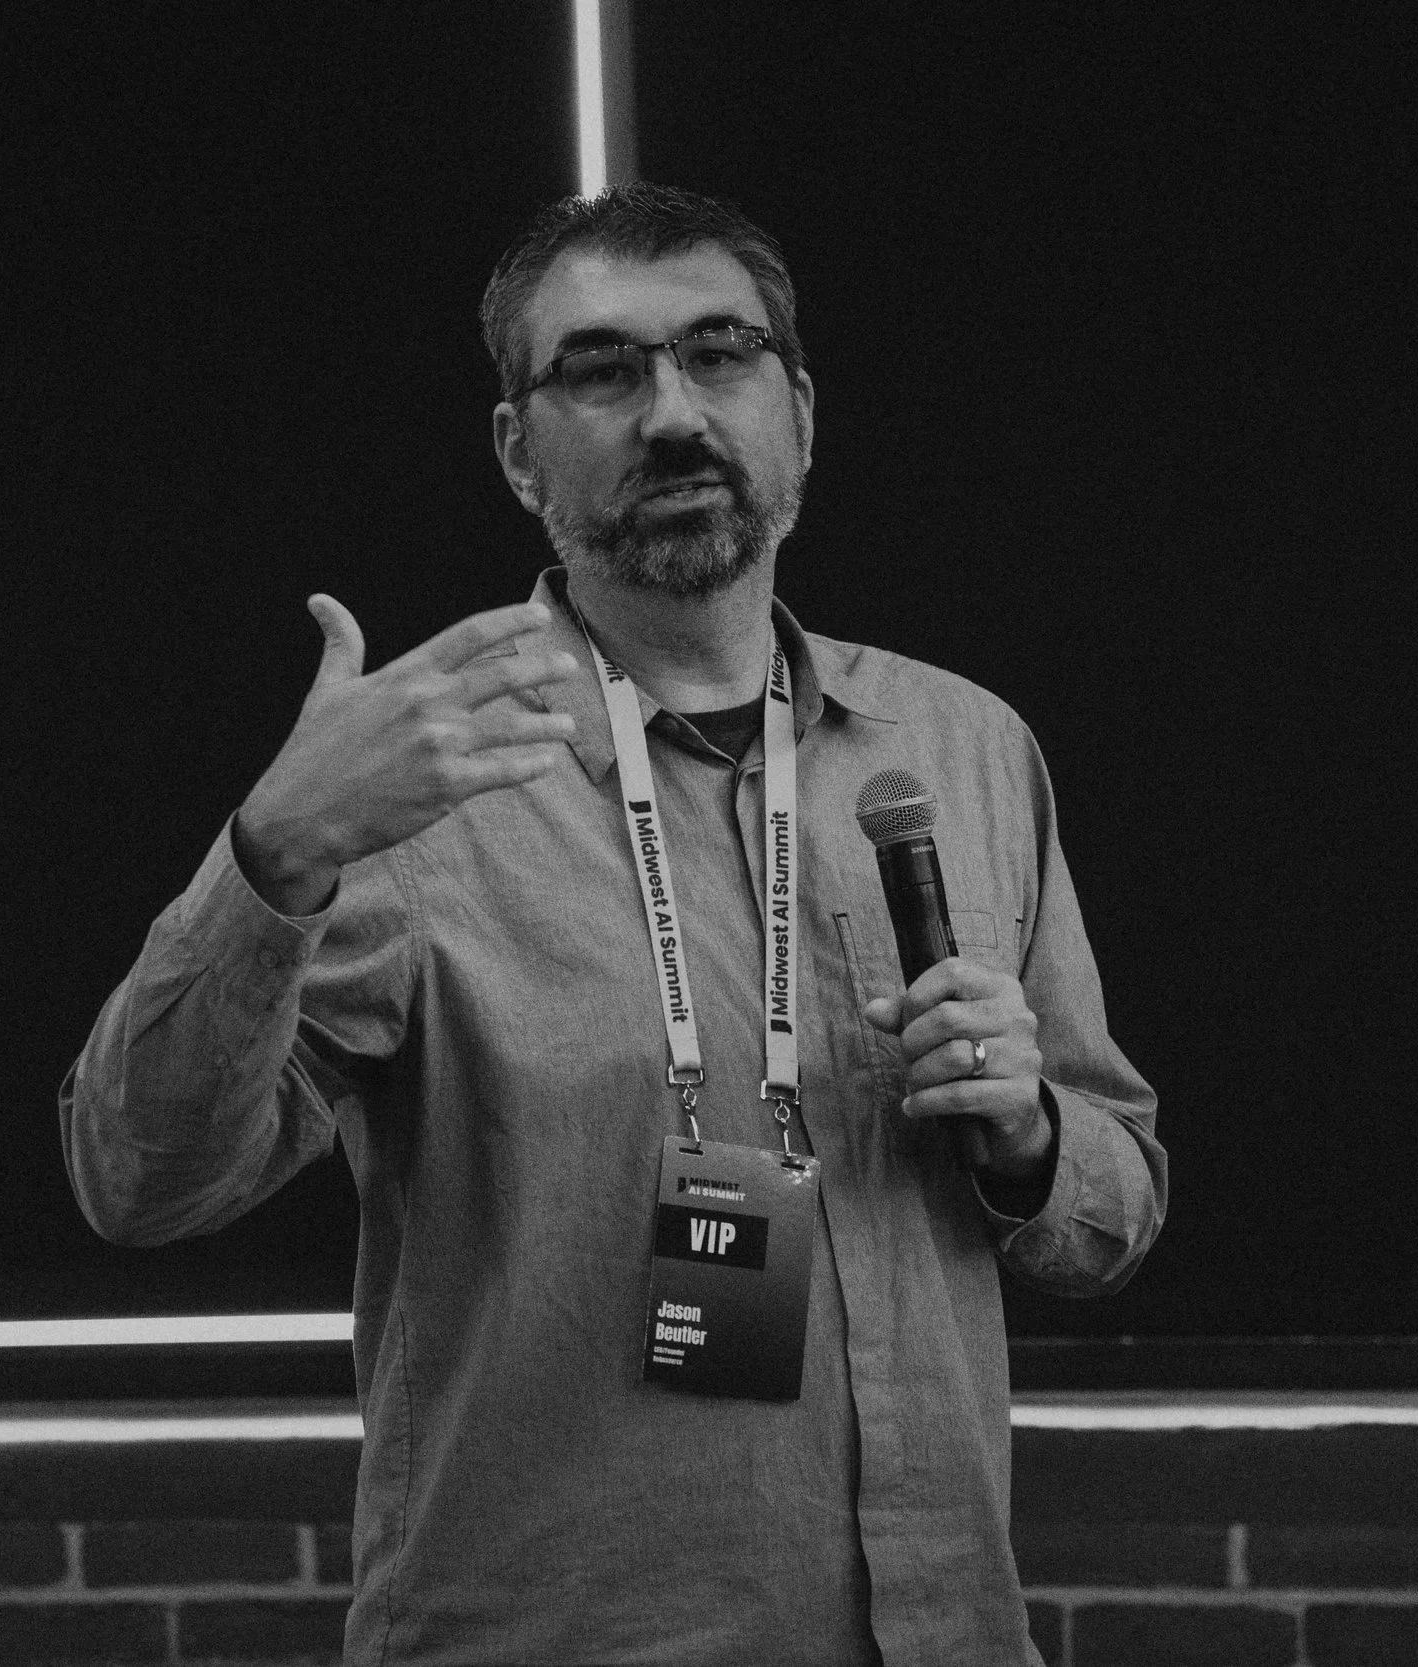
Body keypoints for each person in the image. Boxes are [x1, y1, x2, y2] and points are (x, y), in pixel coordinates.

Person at [60, 182, 1165, 1666]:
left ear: (800, 413)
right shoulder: (416, 787)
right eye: (601, 369)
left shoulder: (962, 746)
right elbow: (138, 1176)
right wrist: (280, 848)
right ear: (520, 450)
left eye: (720, 353)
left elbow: (1112, 1200)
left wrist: (1028, 1133)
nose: (671, 411)